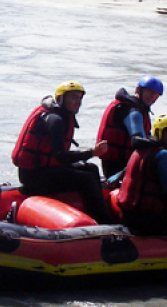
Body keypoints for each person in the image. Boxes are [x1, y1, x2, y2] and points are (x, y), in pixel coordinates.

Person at [11, 81, 118, 223]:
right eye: (74, 98)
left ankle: (99, 212)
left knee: (91, 168)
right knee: (86, 179)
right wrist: (92, 152)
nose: (78, 103)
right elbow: (61, 156)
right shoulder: (55, 120)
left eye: (80, 99)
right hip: (34, 177)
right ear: (61, 99)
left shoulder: (59, 116)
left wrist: (89, 155)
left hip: (45, 170)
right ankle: (104, 221)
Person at [114, 113, 167, 235]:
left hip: (128, 215)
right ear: (160, 132)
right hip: (149, 221)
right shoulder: (163, 155)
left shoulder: (141, 149)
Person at [95, 76, 164, 180]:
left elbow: (147, 137)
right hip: (118, 167)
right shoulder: (133, 111)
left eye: (155, 94)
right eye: (149, 92)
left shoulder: (138, 108)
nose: (152, 97)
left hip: (122, 163)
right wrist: (164, 144)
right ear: (138, 90)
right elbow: (137, 142)